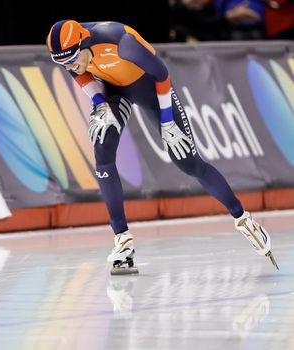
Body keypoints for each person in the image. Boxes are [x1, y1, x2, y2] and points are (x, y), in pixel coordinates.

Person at [46, 20, 279, 274]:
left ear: (85, 43)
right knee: (102, 149)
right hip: (114, 91)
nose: (69, 66)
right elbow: (79, 71)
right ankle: (122, 240)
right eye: (62, 62)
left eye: (71, 59)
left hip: (150, 87)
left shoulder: (121, 43)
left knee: (188, 162)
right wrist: (99, 100)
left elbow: (162, 75)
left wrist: (168, 122)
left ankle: (243, 218)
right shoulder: (71, 53)